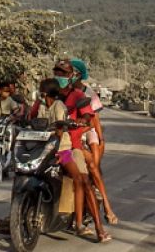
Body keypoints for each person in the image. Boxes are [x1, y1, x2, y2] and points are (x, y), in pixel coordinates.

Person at [54, 60, 111, 242]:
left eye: (63, 73)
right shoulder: (49, 94)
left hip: (69, 147)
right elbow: (31, 113)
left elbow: (88, 115)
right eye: (57, 72)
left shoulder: (78, 96)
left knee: (84, 180)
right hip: (47, 145)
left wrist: (83, 121)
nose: (59, 76)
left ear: (71, 76)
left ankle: (98, 227)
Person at [70, 58, 117, 225]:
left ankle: (106, 205)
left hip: (86, 129)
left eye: (73, 72)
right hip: (70, 130)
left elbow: (94, 119)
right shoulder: (63, 91)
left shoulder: (89, 93)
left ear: (79, 75)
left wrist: (99, 137)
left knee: (92, 166)